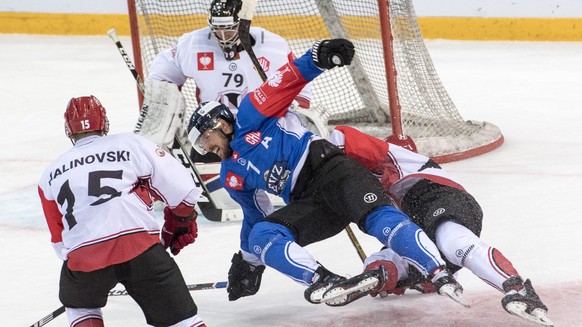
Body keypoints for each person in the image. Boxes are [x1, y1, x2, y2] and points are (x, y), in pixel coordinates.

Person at [186, 38, 469, 308]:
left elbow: (286, 80)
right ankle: (322, 279)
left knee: (377, 218)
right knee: (263, 234)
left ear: (220, 124)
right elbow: (254, 216)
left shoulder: (250, 113)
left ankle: (437, 271)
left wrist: (317, 57)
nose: (204, 148)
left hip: (332, 170)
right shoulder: (231, 175)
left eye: (204, 139)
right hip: (309, 202)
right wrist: (249, 261)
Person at [329, 125, 553, 326]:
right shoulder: (382, 184)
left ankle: (518, 288)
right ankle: (382, 273)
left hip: (440, 197)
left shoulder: (402, 158)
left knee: (452, 240)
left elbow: (341, 134)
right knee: (397, 253)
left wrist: (323, 158)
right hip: (419, 221)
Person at [38, 96, 205, 327]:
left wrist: (81, 275)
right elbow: (184, 190)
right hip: (141, 250)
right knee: (183, 321)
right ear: (104, 122)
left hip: (86, 258)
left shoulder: (49, 174)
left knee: (80, 305)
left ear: (68, 129)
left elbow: (59, 241)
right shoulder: (130, 143)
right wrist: (181, 221)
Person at [143, 0, 317, 158]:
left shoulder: (273, 46)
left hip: (261, 131)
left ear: (242, 24)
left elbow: (298, 80)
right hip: (213, 132)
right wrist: (164, 100)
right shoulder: (194, 43)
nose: (223, 36)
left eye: (229, 29)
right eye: (217, 29)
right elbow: (164, 71)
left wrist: (295, 111)